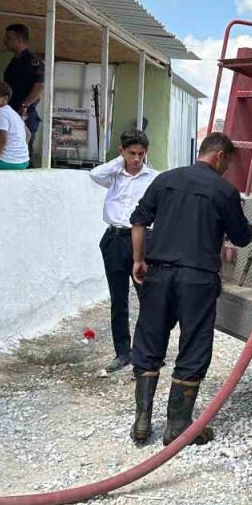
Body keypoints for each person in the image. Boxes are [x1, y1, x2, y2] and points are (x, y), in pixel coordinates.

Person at [128, 132, 252, 445]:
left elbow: (138, 220)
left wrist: (139, 261)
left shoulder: (166, 179)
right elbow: (241, 237)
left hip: (158, 274)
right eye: (228, 162)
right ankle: (177, 426)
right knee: (193, 346)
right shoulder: (224, 190)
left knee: (149, 341)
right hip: (197, 281)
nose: (227, 168)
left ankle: (142, 421)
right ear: (220, 156)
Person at [89, 129, 157, 375]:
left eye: (141, 153)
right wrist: (120, 162)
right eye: (131, 153)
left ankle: (146, 352)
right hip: (115, 238)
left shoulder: (153, 178)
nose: (137, 159)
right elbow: (94, 174)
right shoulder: (114, 175)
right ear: (123, 152)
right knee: (118, 299)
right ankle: (122, 352)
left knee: (147, 298)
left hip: (143, 240)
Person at [2, 24, 45, 147]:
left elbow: (40, 85)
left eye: (8, 37)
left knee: (23, 151)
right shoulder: (14, 62)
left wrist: (25, 104)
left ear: (19, 40)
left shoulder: (32, 61)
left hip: (24, 113)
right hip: (12, 111)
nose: (4, 41)